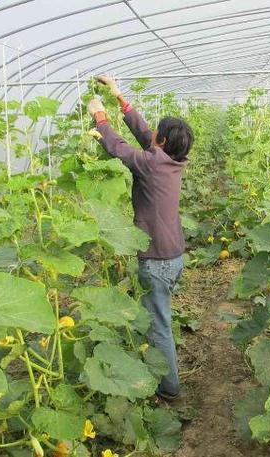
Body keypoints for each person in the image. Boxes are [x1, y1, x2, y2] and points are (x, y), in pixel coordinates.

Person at [87, 76, 193, 401]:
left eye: (156, 137)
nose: (152, 138)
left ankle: (169, 389)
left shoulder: (149, 165)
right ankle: (166, 376)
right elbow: (145, 135)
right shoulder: (172, 161)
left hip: (157, 260)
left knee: (158, 326)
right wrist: (119, 97)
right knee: (162, 317)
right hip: (173, 257)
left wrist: (99, 117)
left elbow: (120, 149)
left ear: (161, 142)